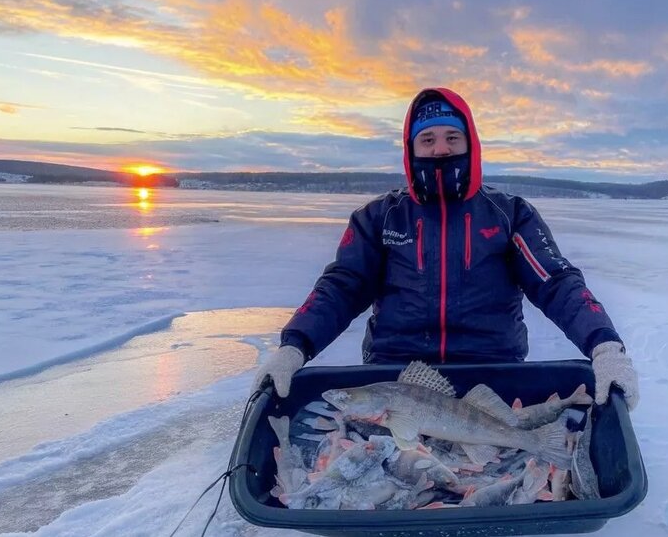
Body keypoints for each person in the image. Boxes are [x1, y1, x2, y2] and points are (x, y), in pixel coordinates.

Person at [252, 87, 638, 411]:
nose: (440, 149)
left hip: (493, 376)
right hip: (395, 375)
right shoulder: (380, 218)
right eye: (428, 138)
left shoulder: (508, 214)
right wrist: (294, 347)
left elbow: (555, 283)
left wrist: (604, 345)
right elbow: (341, 287)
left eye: (452, 137)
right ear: (412, 147)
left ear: (470, 142)